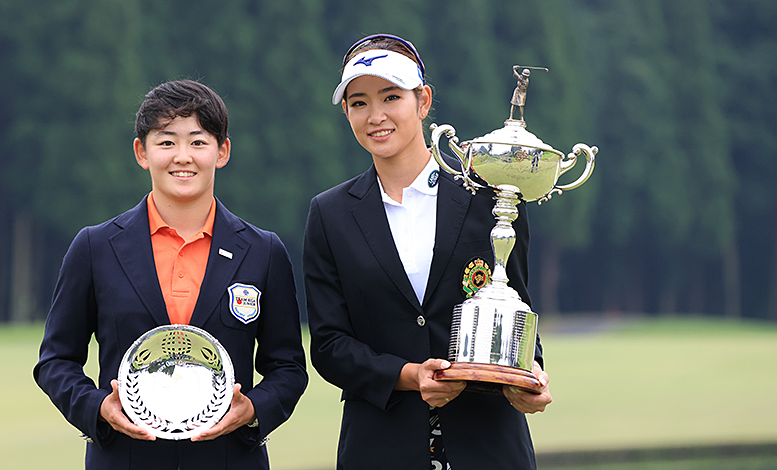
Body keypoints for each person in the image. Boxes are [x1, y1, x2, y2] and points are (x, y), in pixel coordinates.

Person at [303, 34, 552, 470]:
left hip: (488, 448)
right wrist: (408, 376)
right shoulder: (330, 213)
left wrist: (529, 375)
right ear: (346, 112)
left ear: (423, 101)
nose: (375, 115)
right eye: (358, 103)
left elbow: (518, 307)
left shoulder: (491, 195)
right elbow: (328, 345)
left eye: (391, 97)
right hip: (380, 448)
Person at [35, 79, 307, 470]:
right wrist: (98, 408)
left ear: (223, 151)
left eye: (198, 141)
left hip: (230, 460)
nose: (183, 156)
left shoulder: (263, 251)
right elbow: (55, 361)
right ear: (141, 152)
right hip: (125, 460)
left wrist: (253, 409)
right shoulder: (94, 247)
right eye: (166, 142)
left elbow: (289, 368)